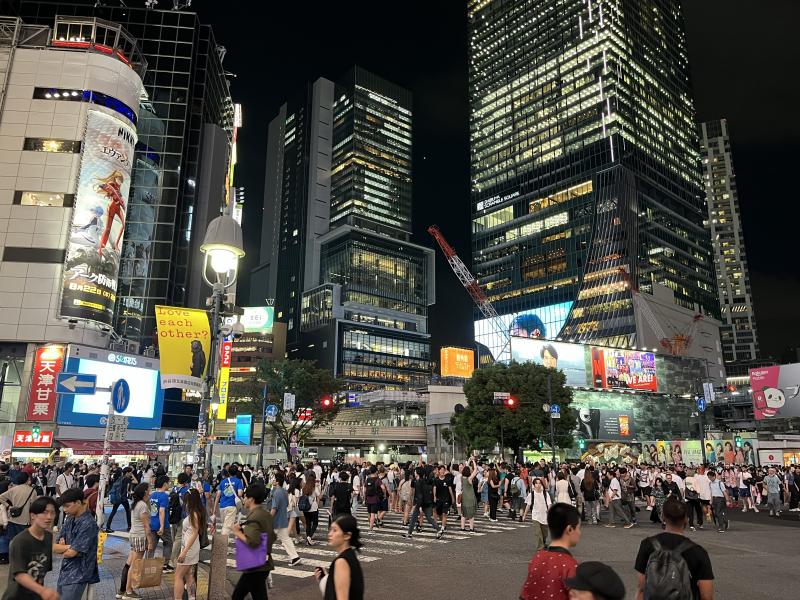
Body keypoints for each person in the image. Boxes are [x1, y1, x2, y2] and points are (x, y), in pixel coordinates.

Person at [635, 498, 714, 600]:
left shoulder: (647, 545)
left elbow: (641, 588)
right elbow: (706, 596)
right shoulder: (698, 552)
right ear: (686, 519)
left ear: (662, 516)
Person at [2, 496, 64, 600]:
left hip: (36, 595)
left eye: (52, 513)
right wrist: (42, 591)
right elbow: (19, 575)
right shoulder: (20, 541)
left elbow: (42, 572)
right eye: (44, 512)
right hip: (16, 596)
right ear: (33, 516)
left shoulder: (48, 537)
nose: (49, 517)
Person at [519, 503, 581, 600]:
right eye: (578, 528)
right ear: (569, 529)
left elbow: (526, 594)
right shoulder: (570, 565)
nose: (579, 532)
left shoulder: (537, 558)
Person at [231, 483, 275, 600]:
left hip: (255, 565)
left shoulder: (254, 516)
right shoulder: (265, 514)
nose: (244, 499)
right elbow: (272, 536)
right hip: (264, 562)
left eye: (245, 496)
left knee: (237, 596)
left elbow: (253, 542)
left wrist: (237, 532)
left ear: (251, 499)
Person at [56, 488, 100, 600]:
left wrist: (64, 548)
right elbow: (56, 545)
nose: (64, 509)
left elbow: (70, 553)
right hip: (66, 570)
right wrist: (69, 547)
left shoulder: (88, 523)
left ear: (78, 502)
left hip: (79, 573)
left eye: (67, 506)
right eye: (63, 506)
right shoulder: (69, 519)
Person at [314, 515, 364, 600]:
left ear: (347, 535)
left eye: (335, 530)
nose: (330, 534)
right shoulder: (350, 555)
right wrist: (326, 579)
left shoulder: (341, 562)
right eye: (330, 530)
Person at [120, 483, 152, 600]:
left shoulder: (137, 504)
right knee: (135, 565)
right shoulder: (142, 505)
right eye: (149, 490)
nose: (150, 492)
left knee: (131, 563)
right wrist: (150, 541)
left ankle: (124, 590)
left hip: (134, 536)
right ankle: (128, 591)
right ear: (145, 492)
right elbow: (146, 526)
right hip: (140, 537)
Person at [0, 471, 38, 563]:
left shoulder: (14, 489)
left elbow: (1, 497)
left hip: (12, 519)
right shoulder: (32, 491)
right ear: (27, 480)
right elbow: (33, 508)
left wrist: (9, 506)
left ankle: (12, 557)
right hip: (25, 520)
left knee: (12, 540)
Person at [174, 489, 204, 600]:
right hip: (191, 548)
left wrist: (184, 552)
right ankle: (192, 598)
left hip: (189, 549)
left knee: (178, 576)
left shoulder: (194, 514)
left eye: (186, 500)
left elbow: (194, 533)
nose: (184, 502)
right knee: (189, 575)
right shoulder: (196, 512)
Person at [269, 471, 301, 566]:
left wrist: (268, 519)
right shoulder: (284, 492)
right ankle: (295, 557)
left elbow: (274, 508)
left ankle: (263, 559)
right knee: (286, 539)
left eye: (273, 479)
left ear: (277, 482)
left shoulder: (277, 492)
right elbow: (286, 504)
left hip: (276, 521)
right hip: (283, 519)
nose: (272, 481)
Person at [148, 475, 174, 573]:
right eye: (168, 482)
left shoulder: (152, 495)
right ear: (164, 484)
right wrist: (162, 526)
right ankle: (165, 565)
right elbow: (162, 511)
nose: (169, 484)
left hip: (152, 523)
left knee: (152, 545)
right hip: (162, 524)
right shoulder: (164, 496)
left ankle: (148, 564)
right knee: (168, 543)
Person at [403, 467, 438, 538]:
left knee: (425, 518)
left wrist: (420, 506)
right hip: (422, 502)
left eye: (415, 471)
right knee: (417, 518)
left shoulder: (420, 482)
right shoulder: (416, 481)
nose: (414, 472)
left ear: (418, 473)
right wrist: (410, 498)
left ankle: (439, 529)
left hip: (422, 502)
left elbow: (421, 494)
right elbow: (412, 490)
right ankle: (409, 533)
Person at [217, 465, 244, 535]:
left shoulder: (223, 481)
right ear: (236, 472)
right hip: (231, 506)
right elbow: (240, 494)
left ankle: (224, 539)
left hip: (222, 506)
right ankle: (222, 540)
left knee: (225, 525)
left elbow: (218, 495)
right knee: (226, 528)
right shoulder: (238, 481)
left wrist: (214, 510)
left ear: (228, 472)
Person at [459, 462, 478, 532]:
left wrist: (468, 463)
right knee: (471, 514)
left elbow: (466, 470)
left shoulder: (461, 478)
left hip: (464, 498)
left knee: (463, 514)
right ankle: (471, 528)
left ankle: (462, 527)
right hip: (470, 498)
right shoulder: (469, 479)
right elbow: (475, 470)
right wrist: (473, 461)